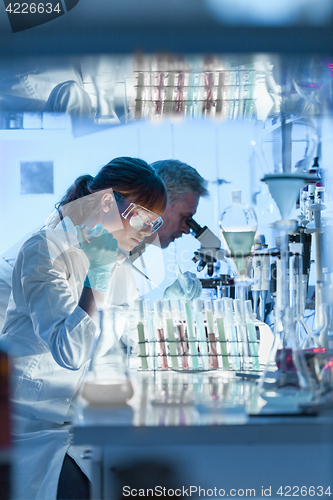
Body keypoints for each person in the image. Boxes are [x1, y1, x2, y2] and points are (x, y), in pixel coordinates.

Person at [0, 157, 167, 500]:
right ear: (107, 201)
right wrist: (97, 278)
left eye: (154, 223)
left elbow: (127, 339)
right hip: (31, 425)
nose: (145, 232)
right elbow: (72, 352)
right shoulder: (44, 248)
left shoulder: (119, 260)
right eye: (141, 217)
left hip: (80, 423)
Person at [130, 159, 209, 300]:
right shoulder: (109, 248)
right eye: (184, 217)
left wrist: (169, 302)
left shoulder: (134, 249)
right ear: (159, 202)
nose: (186, 230)